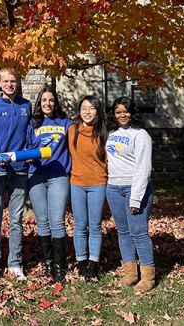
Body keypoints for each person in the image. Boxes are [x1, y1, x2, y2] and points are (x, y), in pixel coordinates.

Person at [0, 67, 32, 280]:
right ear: (0, 83)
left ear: (18, 83)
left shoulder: (26, 106)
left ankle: (14, 263)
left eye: (13, 81)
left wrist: (30, 152)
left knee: (16, 219)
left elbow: (29, 133)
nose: (10, 84)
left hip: (20, 170)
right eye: (6, 81)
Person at [106, 96, 155, 292]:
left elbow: (144, 167)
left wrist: (136, 197)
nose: (122, 115)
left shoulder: (141, 134)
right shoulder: (111, 132)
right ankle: (130, 273)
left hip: (134, 189)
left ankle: (148, 277)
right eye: (118, 112)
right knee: (123, 232)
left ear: (132, 112)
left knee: (139, 233)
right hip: (113, 188)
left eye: (125, 111)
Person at [26, 85, 72, 283]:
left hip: (58, 176)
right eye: (44, 100)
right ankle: (48, 263)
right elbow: (26, 147)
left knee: (57, 221)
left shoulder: (66, 123)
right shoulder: (32, 124)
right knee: (42, 222)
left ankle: (60, 267)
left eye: (51, 100)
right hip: (36, 176)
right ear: (39, 102)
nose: (48, 103)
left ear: (56, 102)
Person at [68, 95, 107, 280]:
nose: (87, 111)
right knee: (80, 226)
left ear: (97, 111)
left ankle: (94, 265)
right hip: (77, 183)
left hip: (98, 183)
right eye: (84, 108)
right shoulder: (72, 130)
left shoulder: (104, 133)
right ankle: (81, 263)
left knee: (95, 226)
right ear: (79, 110)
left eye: (91, 108)